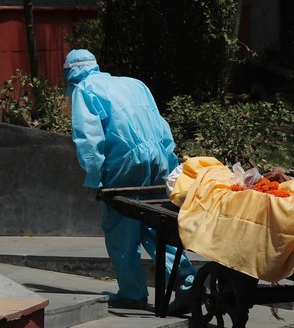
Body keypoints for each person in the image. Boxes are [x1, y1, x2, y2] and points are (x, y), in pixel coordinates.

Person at [63, 49, 196, 313]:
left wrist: (96, 179)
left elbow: (89, 139)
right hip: (158, 158)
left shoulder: (84, 90)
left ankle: (133, 293)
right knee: (158, 225)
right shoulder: (134, 84)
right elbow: (161, 125)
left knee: (120, 230)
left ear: (70, 74)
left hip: (124, 164)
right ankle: (188, 284)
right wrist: (169, 163)